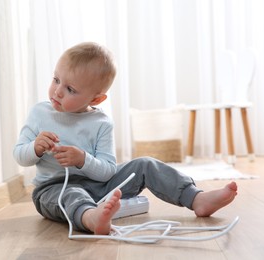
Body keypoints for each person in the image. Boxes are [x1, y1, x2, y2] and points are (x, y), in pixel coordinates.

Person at [13, 42, 238, 235]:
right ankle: (91, 218)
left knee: (145, 164)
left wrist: (83, 160)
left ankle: (196, 199)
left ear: (97, 99)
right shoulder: (39, 113)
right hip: (53, 190)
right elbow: (20, 156)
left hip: (99, 186)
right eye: (56, 79)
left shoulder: (101, 123)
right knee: (73, 192)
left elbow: (108, 171)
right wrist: (35, 148)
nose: (57, 91)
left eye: (70, 89)